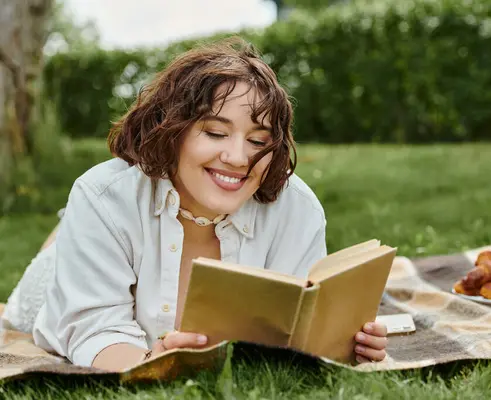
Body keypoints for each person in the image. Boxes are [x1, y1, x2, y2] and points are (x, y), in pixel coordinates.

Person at [1, 38, 389, 372]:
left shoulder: (297, 207)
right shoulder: (104, 195)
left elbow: (298, 324)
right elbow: (91, 327)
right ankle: (67, 227)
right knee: (65, 245)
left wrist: (344, 342)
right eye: (216, 132)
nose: (238, 158)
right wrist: (152, 362)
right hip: (54, 283)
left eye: (258, 141)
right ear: (172, 130)